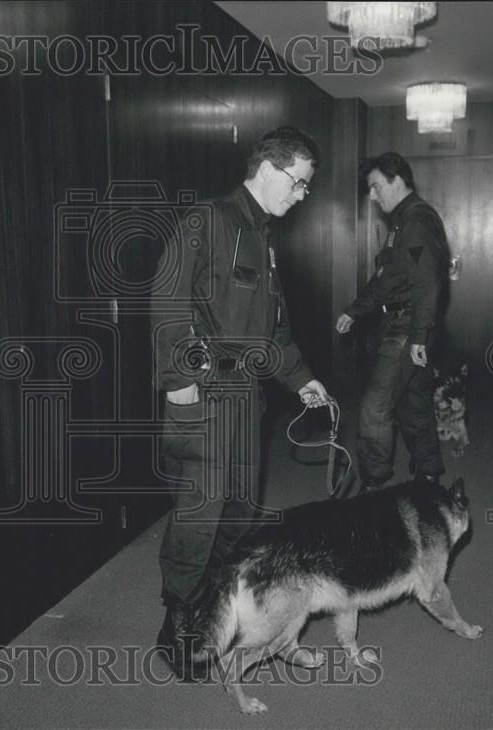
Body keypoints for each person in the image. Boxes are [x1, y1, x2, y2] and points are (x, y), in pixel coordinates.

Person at [150, 127, 329, 679]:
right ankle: (178, 624)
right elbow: (166, 296)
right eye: (299, 183)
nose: (302, 195)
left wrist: (301, 380)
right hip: (202, 394)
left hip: (244, 397)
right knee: (200, 515)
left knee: (240, 511)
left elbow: (272, 331)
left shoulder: (263, 238)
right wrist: (179, 379)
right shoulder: (209, 221)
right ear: (271, 170)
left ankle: (211, 606)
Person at [335, 151, 449, 492]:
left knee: (374, 407)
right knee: (412, 401)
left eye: (374, 186)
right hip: (405, 325)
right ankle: (428, 476)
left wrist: (417, 338)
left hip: (407, 328)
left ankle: (374, 484)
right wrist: (354, 311)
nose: (371, 195)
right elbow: (388, 279)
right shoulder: (404, 221)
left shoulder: (416, 222)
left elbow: (426, 281)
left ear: (396, 180)